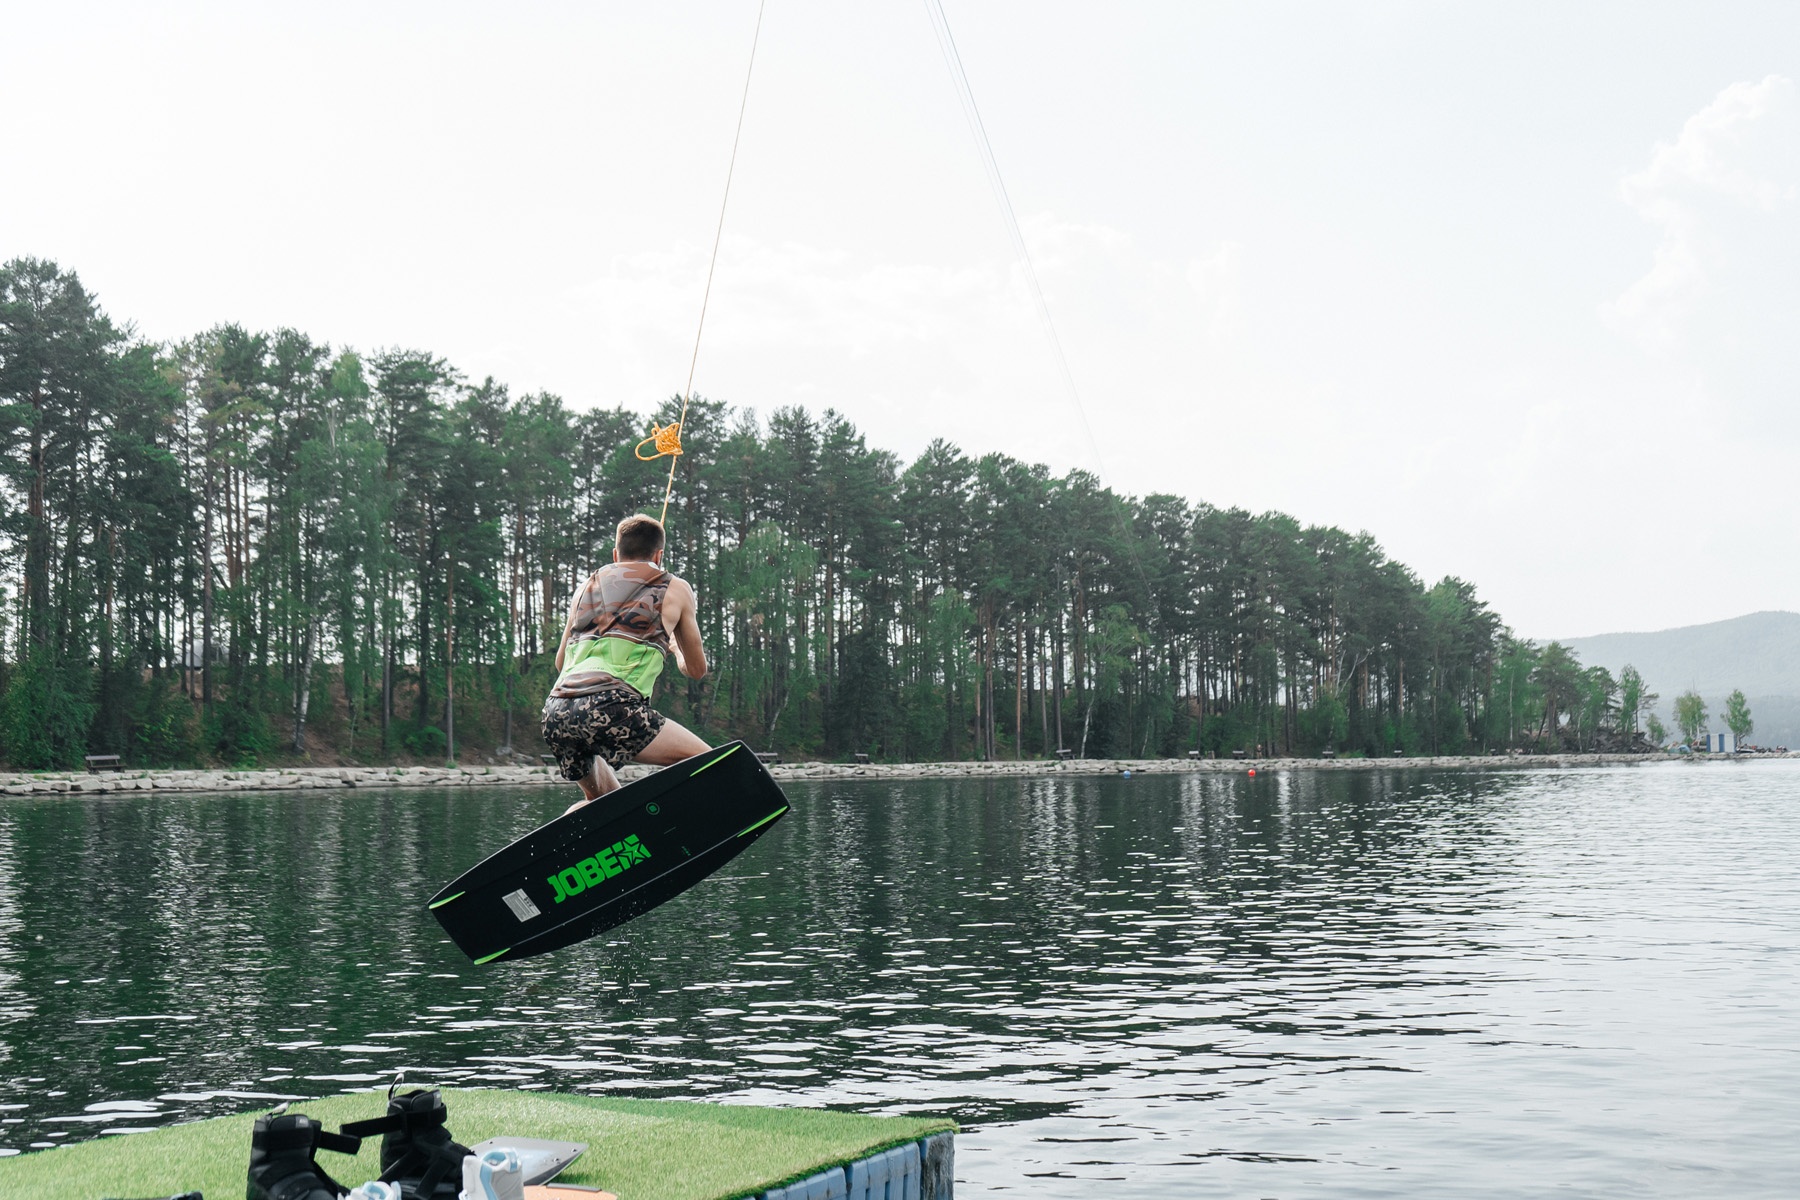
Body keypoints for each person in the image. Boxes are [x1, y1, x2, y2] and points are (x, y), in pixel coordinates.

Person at [542, 513, 709, 811]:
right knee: (712, 764)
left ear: (616, 554)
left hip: (557, 712)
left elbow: (560, 663)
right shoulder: (675, 586)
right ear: (659, 555)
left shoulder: (585, 587)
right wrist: (673, 647)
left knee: (604, 806)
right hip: (611, 705)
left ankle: (568, 845)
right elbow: (696, 670)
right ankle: (668, 827)